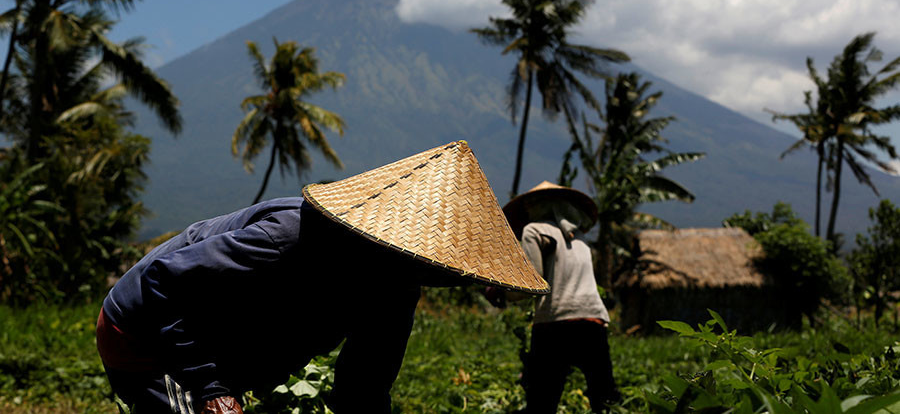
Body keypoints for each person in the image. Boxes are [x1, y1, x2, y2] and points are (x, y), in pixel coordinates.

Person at [96, 141, 549, 414]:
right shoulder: (290, 237)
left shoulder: (397, 289)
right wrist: (211, 389)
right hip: (145, 332)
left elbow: (364, 387)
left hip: (224, 349)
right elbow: (162, 282)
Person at [493, 181, 620, 413]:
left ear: (545, 205)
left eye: (532, 204)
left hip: (554, 324)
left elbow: (532, 284)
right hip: (593, 322)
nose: (529, 209)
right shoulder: (580, 239)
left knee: (542, 401)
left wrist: (501, 293)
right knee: (603, 398)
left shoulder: (534, 231)